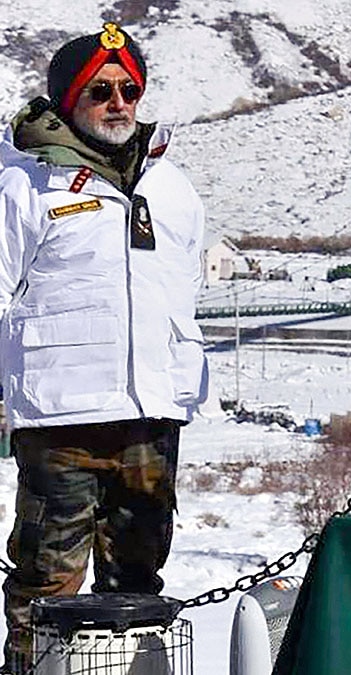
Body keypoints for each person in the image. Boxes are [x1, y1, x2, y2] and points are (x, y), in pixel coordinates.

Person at [0, 23, 207, 671]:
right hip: (61, 416)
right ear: (67, 100)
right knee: (46, 583)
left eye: (129, 90)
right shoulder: (25, 185)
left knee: (138, 584)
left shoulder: (170, 185)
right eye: (99, 91)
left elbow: (184, 282)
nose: (118, 103)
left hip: (151, 414)